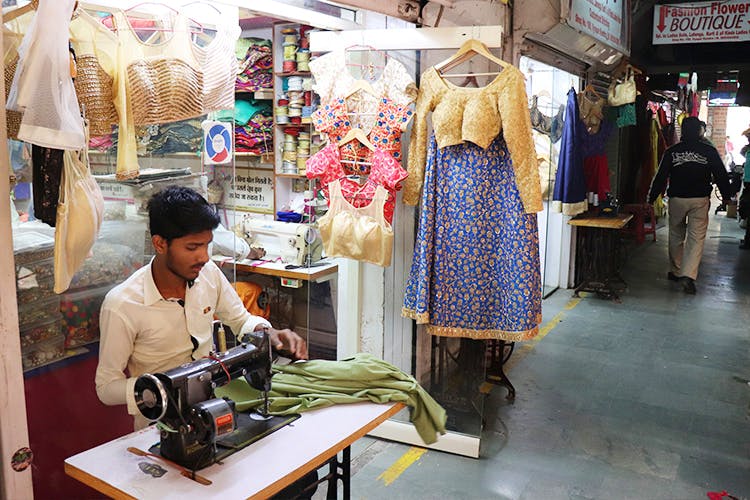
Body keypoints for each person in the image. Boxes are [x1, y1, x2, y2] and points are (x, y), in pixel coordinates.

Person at [95, 186, 308, 429]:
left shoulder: (208, 274)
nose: (204, 257)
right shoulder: (123, 305)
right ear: (160, 244)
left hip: (215, 411)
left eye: (207, 245)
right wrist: (162, 387)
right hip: (160, 428)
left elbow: (240, 320)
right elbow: (106, 387)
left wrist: (268, 333)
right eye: (192, 247)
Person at [648, 116, 732, 294]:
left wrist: (651, 198)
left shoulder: (672, 151)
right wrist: (726, 196)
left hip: (677, 199)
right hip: (699, 199)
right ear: (700, 131)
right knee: (696, 238)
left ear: (682, 131)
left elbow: (661, 177)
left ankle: (676, 271)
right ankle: (688, 275)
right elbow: (721, 174)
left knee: (676, 234)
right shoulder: (709, 151)